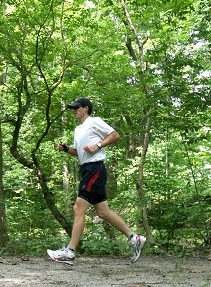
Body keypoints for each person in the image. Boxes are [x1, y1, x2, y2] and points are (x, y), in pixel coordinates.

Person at [47, 97, 146, 265]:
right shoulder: (78, 129)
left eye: (77, 107)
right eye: (73, 108)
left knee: (78, 208)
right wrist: (66, 149)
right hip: (87, 168)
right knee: (103, 212)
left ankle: (70, 252)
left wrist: (98, 146)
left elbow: (115, 135)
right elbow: (80, 153)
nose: (74, 110)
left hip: (95, 169)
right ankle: (134, 238)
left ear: (86, 108)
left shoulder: (94, 122)